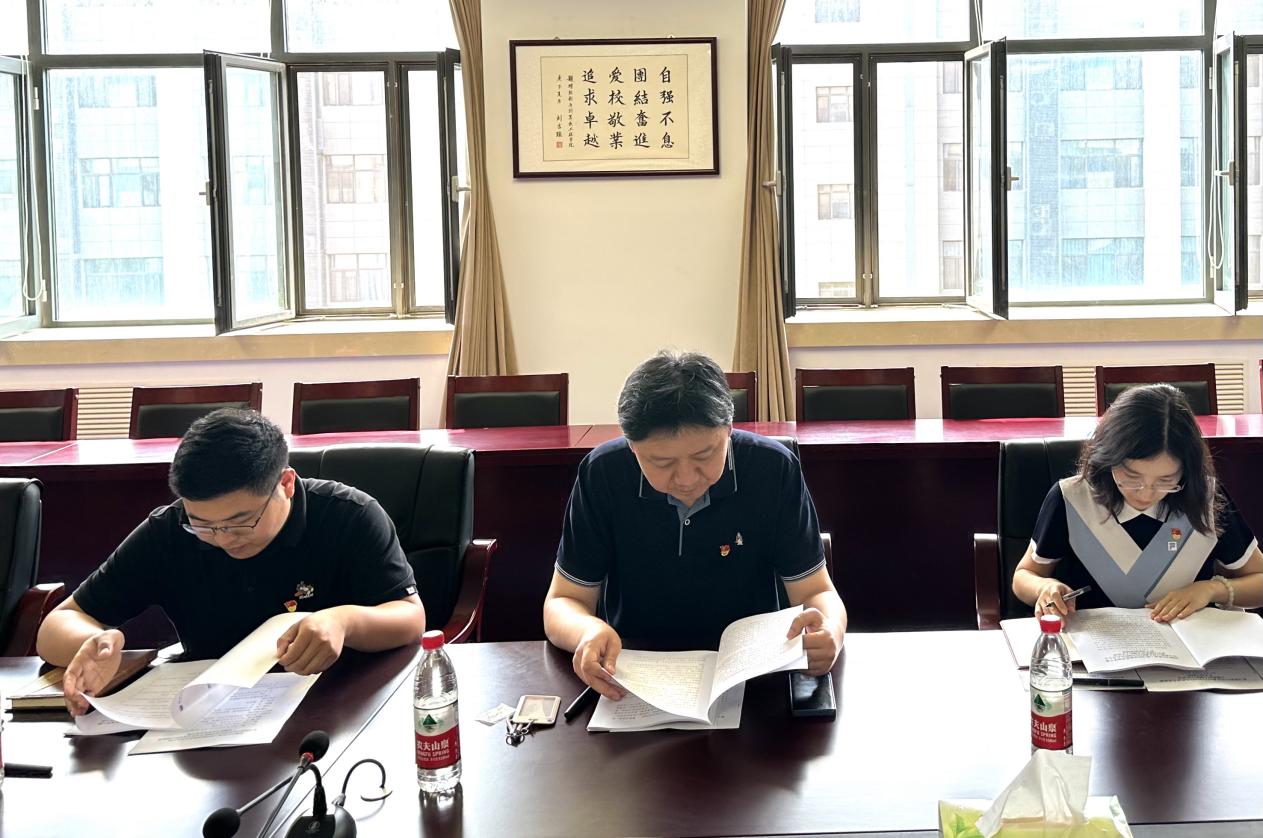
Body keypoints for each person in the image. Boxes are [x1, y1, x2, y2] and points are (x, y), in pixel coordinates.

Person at [36, 409, 426, 715]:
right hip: (210, 716)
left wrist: (344, 621)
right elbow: (57, 623)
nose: (222, 538)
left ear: (286, 484)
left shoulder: (349, 515)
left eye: (241, 522)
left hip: (338, 705)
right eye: (202, 524)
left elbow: (410, 617)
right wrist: (90, 645)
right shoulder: (168, 531)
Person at [543, 350, 846, 700]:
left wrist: (830, 630)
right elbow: (563, 600)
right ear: (632, 447)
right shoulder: (603, 474)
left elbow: (817, 592)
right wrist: (586, 631)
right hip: (635, 673)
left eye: (704, 455)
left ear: (728, 430)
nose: (686, 479)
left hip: (753, 676)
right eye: (662, 462)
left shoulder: (773, 469)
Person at [1013, 383, 1263, 621]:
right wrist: (1045, 587)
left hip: (1191, 645)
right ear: (1108, 457)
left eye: (1166, 480)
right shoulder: (1072, 498)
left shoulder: (1205, 499)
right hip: (1098, 643)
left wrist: (1212, 590)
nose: (1145, 494)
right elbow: (1024, 575)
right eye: (1132, 478)